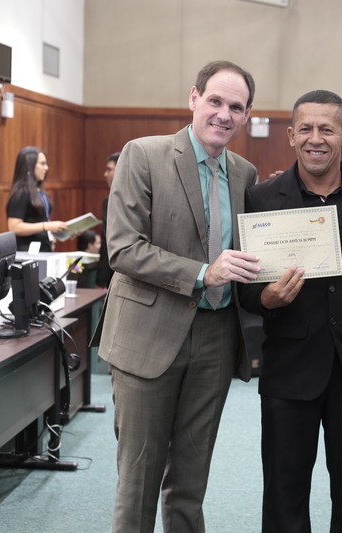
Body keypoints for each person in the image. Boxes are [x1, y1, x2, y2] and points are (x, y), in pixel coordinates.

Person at [95, 60, 261, 533]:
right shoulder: (143, 154)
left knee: (192, 479)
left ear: (247, 115)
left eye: (236, 107)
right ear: (193, 98)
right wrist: (203, 273)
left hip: (216, 337)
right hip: (148, 335)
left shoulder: (246, 174)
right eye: (215, 101)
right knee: (139, 480)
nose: (224, 114)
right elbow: (123, 248)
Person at [239, 90, 342, 533]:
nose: (315, 138)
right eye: (305, 128)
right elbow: (246, 286)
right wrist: (264, 299)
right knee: (284, 493)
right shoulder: (261, 198)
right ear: (290, 136)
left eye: (327, 129)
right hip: (290, 368)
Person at [6, 146, 69, 251]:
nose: (46, 168)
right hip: (28, 251)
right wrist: (46, 226)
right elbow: (14, 227)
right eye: (42, 164)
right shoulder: (21, 192)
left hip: (43, 247)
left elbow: (41, 220)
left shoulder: (39, 190)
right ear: (29, 166)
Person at [96, 151, 119, 287]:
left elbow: (107, 241)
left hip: (114, 274)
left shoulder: (111, 200)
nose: (105, 174)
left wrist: (101, 280)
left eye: (109, 169)